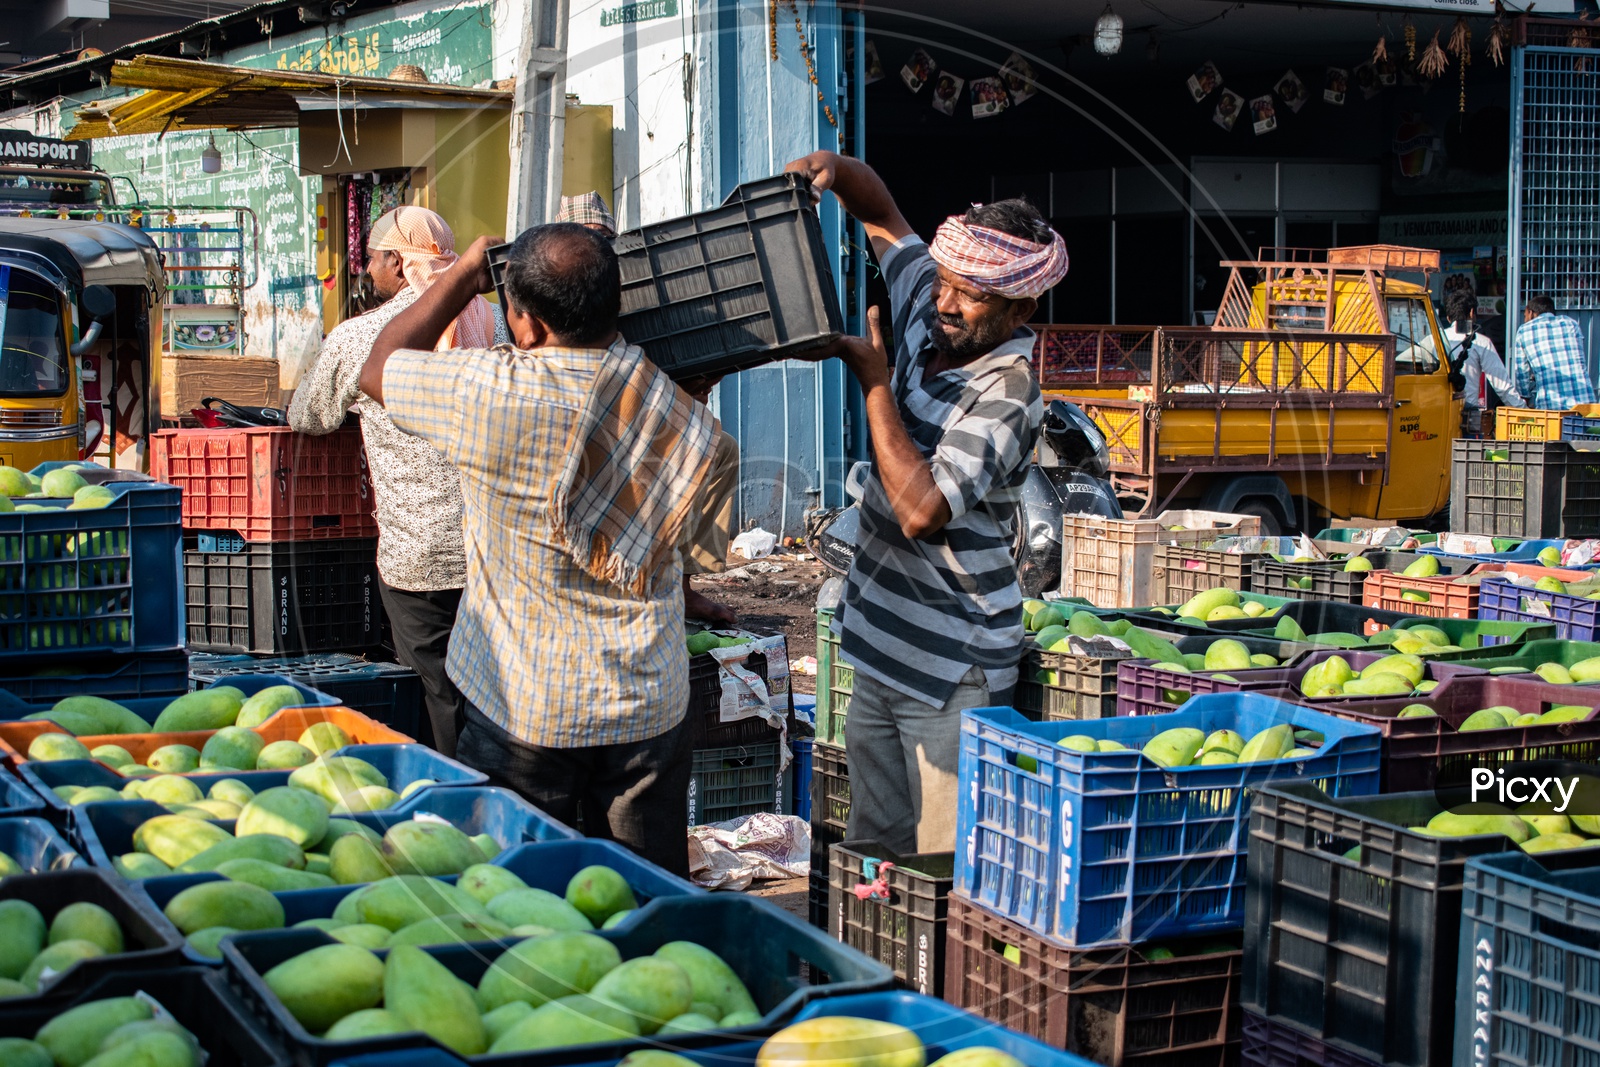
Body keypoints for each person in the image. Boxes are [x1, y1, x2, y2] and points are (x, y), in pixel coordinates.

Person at [357, 223, 736, 877]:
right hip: (646, 708)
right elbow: (698, 548)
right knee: (645, 904)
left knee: (521, 905)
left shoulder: (486, 393)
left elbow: (377, 365)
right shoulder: (670, 405)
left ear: (524, 322)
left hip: (526, 712)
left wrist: (463, 274)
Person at [784, 150, 1065, 855]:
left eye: (969, 294)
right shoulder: (925, 301)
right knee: (875, 848)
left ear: (1019, 308)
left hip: (951, 668)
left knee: (942, 864)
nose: (944, 301)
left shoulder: (1009, 390)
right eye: (944, 282)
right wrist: (832, 169)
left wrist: (875, 384)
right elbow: (880, 214)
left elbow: (922, 509)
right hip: (878, 647)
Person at [288, 207, 500, 758]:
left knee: (441, 692)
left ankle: (467, 800)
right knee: (499, 687)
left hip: (419, 556)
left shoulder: (359, 337)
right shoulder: (495, 322)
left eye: (375, 259)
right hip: (496, 549)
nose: (369, 271)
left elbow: (309, 415)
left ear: (398, 263)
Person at [555, 189, 738, 626]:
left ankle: (685, 583)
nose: (597, 251)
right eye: (585, 239)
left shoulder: (633, 292)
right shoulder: (555, 292)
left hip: (638, 411)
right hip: (575, 415)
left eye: (604, 240)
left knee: (719, 447)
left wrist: (695, 386)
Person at [1443, 289, 1524, 437]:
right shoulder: (1481, 342)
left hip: (1438, 411)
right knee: (1468, 456)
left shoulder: (1434, 339)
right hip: (1467, 414)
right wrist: (1523, 412)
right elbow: (1502, 386)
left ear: (1448, 318)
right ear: (1472, 313)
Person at [1513, 294, 1597, 410]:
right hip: (1585, 403)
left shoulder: (1524, 330)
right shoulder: (1571, 323)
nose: (1525, 320)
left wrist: (1525, 399)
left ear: (1531, 313)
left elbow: (1522, 373)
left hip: (1551, 406)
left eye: (1525, 316)